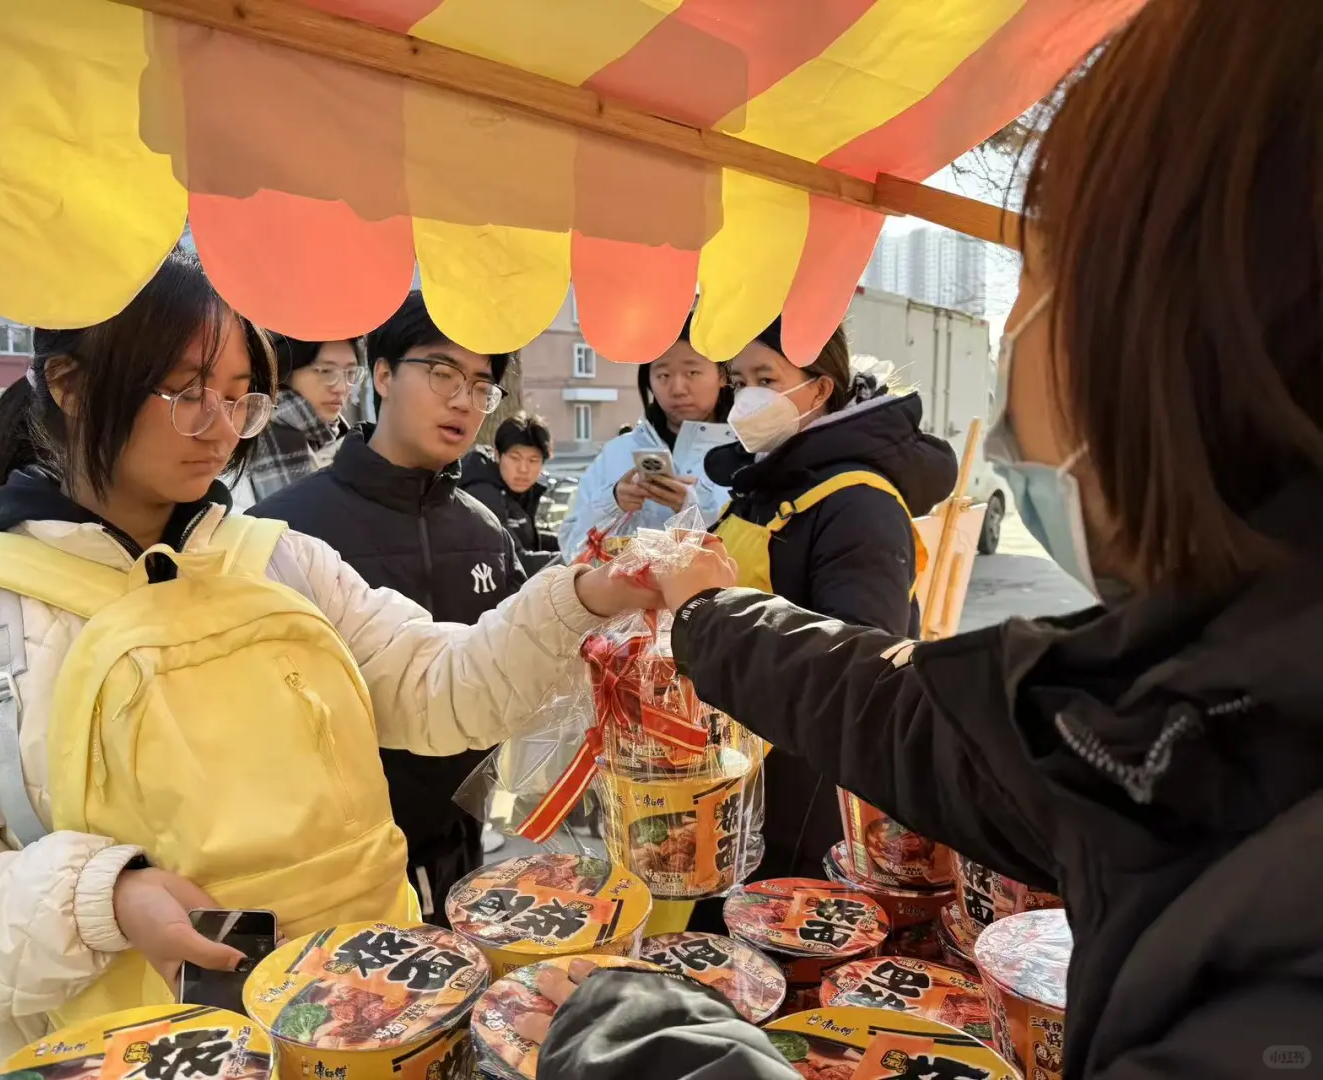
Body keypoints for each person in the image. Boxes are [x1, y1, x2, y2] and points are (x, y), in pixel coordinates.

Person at [543, 3, 1323, 1076]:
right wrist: (711, 613)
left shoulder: (1273, 931)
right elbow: (920, 712)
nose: (1017, 328)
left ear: (1183, 322)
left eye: (1040, 264)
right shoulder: (1198, 697)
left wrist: (677, 1057)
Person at [0, 253, 657, 1077]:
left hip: (372, 1020)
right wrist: (100, 898)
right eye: (185, 391)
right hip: (131, 1049)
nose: (219, 427)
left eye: (240, 395)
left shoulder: (282, 562)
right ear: (70, 385)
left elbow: (443, 688)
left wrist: (588, 594)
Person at [251, 291, 527, 924]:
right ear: (380, 375)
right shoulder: (285, 533)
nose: (464, 399)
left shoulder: (487, 533)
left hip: (461, 850)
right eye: (442, 373)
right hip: (329, 874)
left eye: (481, 385)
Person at [707, 319, 956, 893]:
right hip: (738, 767)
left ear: (821, 387)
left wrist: (708, 619)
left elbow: (862, 670)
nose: (747, 397)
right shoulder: (775, 478)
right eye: (738, 380)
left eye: (766, 377)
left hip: (802, 787)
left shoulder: (857, 503)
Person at [557, 329, 733, 558]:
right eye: (663, 376)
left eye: (693, 372)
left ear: (722, 375)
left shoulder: (748, 455)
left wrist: (694, 512)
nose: (678, 389)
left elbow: (753, 558)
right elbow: (571, 548)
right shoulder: (616, 453)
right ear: (648, 380)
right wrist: (613, 503)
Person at [237, 333, 360, 504]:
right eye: (325, 371)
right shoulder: (245, 438)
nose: (341, 387)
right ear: (286, 371)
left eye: (351, 373)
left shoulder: (350, 443)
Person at [461, 413, 561, 576]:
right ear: (498, 455)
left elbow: (526, 537)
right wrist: (579, 557)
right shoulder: (482, 494)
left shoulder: (515, 490)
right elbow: (516, 561)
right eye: (515, 458)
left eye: (533, 460)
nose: (523, 469)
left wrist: (574, 541)